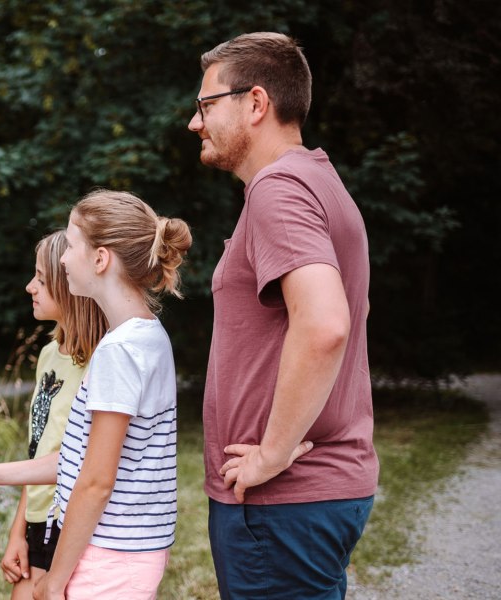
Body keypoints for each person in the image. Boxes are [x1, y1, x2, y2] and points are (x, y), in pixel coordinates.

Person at [0, 190, 192, 600]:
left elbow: (96, 482)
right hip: (126, 555)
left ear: (100, 259)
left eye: (71, 245)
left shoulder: (118, 351)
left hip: (107, 560)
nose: (63, 259)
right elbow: (81, 461)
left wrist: (56, 578)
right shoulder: (147, 335)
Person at [187, 32, 377, 599]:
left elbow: (325, 326)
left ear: (255, 103)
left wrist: (271, 455)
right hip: (307, 500)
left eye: (205, 105)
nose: (195, 123)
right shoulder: (316, 180)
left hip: (281, 501)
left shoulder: (279, 190)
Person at [3, 230, 108, 599]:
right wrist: (18, 532)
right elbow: (39, 449)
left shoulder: (100, 363)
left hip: (69, 525)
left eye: (42, 279)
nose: (30, 287)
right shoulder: (49, 355)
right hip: (36, 521)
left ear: (70, 286)